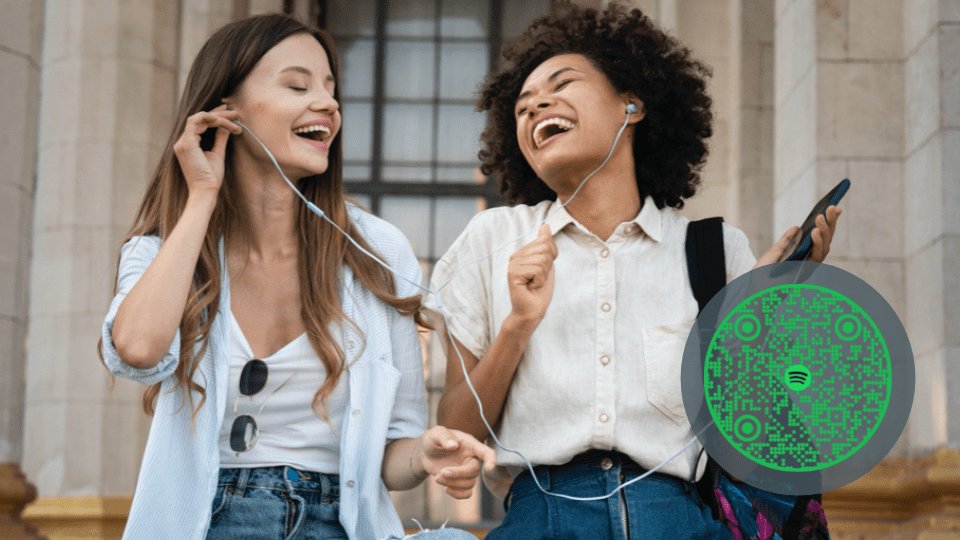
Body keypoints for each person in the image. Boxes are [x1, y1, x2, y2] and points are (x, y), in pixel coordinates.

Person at [424, 2, 841, 539]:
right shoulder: (492, 241)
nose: (535, 107)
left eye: (562, 83)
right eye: (522, 107)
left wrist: (759, 311)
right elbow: (456, 431)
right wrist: (517, 326)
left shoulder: (714, 251)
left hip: (680, 518)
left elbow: (756, 432)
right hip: (541, 517)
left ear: (632, 104)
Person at [99, 14, 493, 540]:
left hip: (340, 523)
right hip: (207, 522)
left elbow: (392, 456)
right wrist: (201, 197)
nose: (328, 104)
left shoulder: (377, 249)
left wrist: (423, 454)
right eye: (297, 85)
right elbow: (137, 350)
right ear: (224, 112)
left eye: (331, 89)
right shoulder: (163, 251)